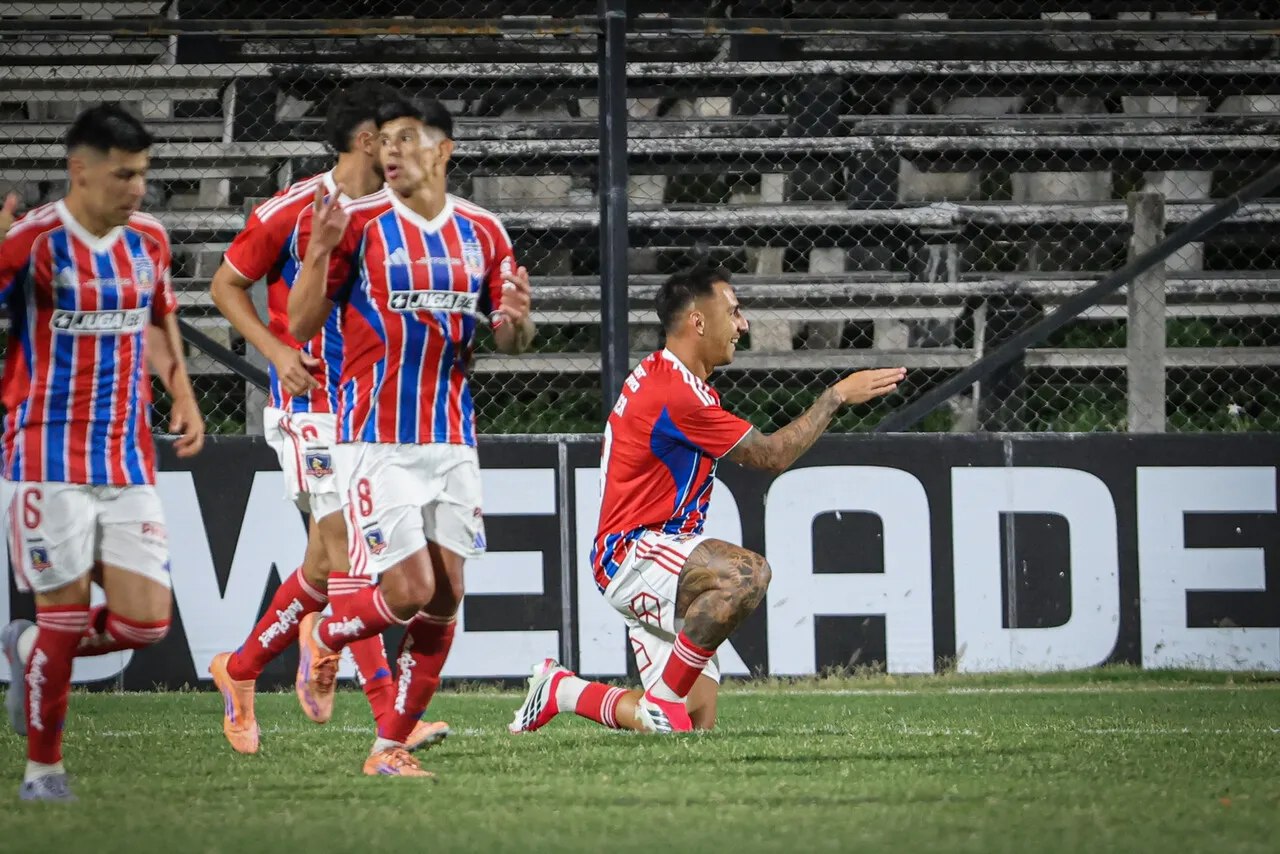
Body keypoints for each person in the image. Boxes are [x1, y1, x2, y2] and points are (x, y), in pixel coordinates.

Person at [509, 266, 905, 735]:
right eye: (734, 312)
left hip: (653, 559)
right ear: (698, 322)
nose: (744, 325)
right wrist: (835, 396)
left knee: (689, 727)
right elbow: (772, 455)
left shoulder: (670, 378)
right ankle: (665, 698)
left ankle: (563, 690)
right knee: (747, 574)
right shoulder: (675, 392)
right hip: (635, 554)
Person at [287, 94, 535, 776]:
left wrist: (515, 322)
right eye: (384, 141)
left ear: (443, 150)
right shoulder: (359, 222)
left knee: (448, 595)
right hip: (375, 437)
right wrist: (317, 253)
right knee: (406, 591)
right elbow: (302, 325)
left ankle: (386, 748)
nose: (389, 151)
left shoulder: (484, 232)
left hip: (452, 438)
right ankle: (327, 629)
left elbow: (511, 338)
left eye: (404, 139)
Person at [205, 81, 447, 757]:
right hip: (307, 406)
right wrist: (279, 349)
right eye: (396, 134)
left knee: (321, 564)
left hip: (370, 408)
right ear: (367, 140)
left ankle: (242, 667)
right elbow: (224, 285)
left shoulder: (403, 212)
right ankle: (389, 721)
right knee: (349, 557)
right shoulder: (297, 209)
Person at [0, 104, 206, 800]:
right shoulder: (31, 242)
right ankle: (43, 771)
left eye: (143, 175)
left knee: (145, 620)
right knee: (61, 616)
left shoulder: (147, 239)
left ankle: (30, 653)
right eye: (123, 175)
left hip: (125, 455)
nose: (137, 189)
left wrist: (181, 390)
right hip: (43, 452)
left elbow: (158, 318)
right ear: (79, 170)